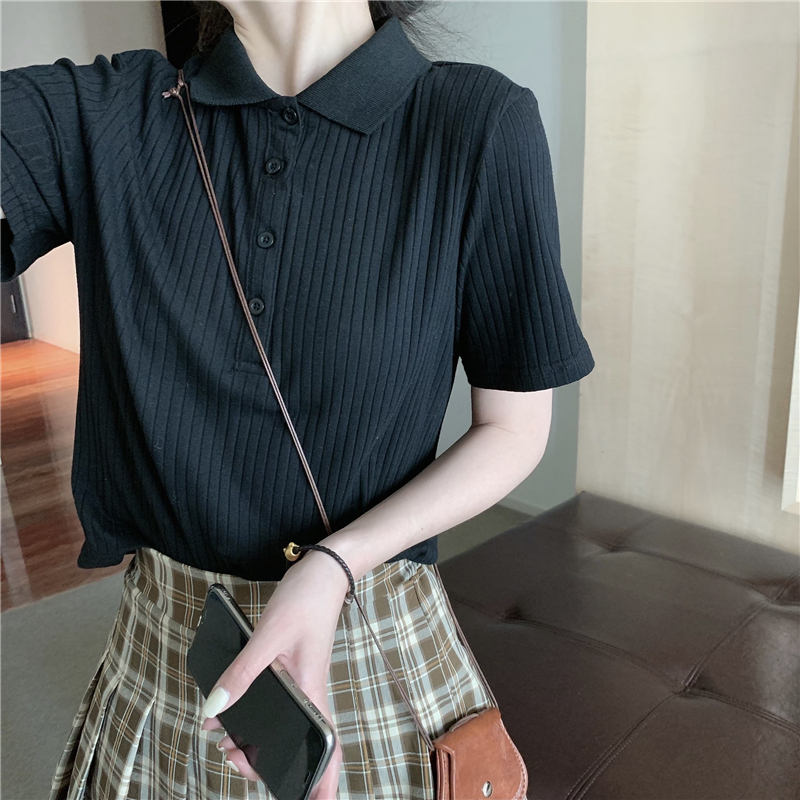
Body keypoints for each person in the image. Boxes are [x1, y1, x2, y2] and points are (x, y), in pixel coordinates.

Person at [1, 1, 595, 798]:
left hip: (372, 646)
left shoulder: (477, 123)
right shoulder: (103, 112)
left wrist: (332, 567)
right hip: (164, 663)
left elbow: (514, 429)